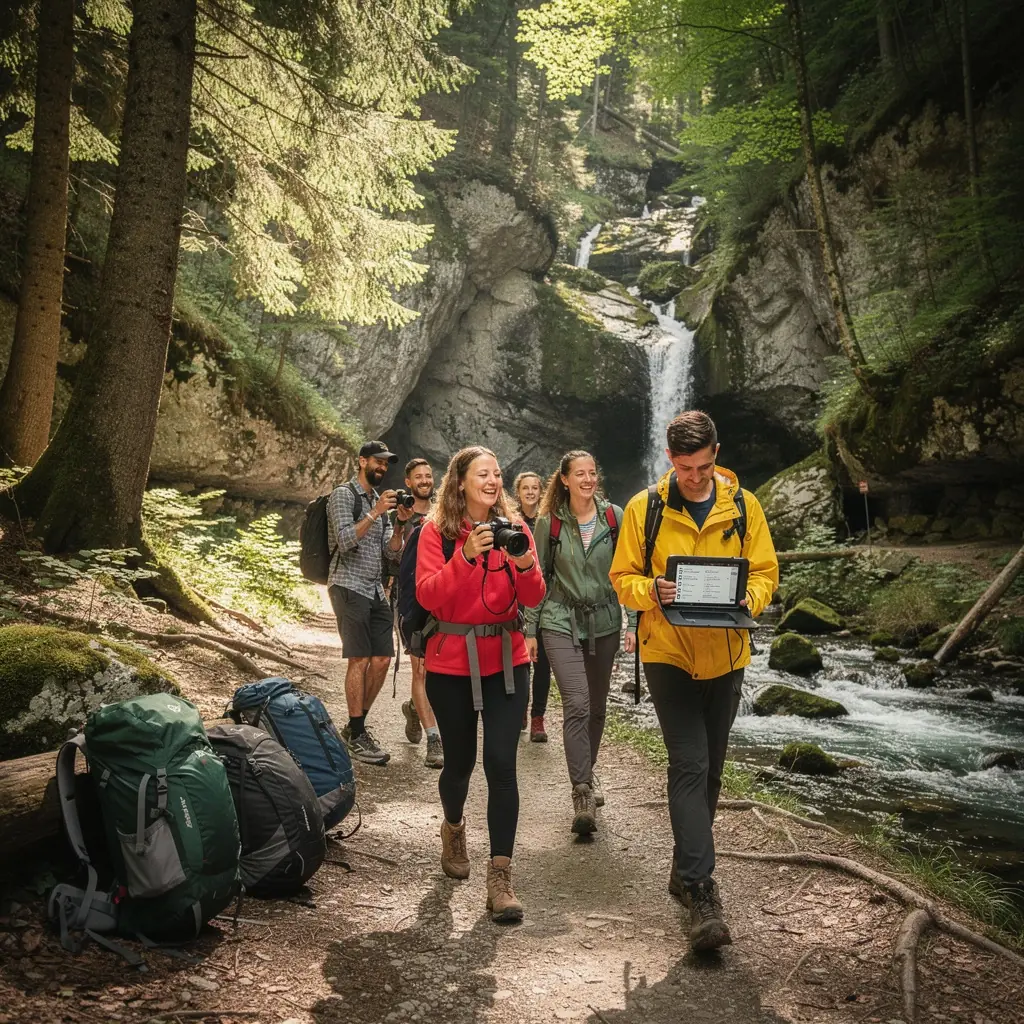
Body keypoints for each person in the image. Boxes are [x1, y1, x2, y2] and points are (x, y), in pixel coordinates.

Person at [609, 411, 778, 952]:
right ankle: (703, 894)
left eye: (704, 466)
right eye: (686, 469)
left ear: (717, 454)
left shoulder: (745, 508)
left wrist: (744, 601)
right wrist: (651, 591)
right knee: (689, 762)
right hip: (669, 652)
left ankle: (684, 870)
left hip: (728, 654)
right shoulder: (645, 508)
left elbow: (764, 574)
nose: (696, 478)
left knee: (711, 773)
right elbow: (623, 579)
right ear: (670, 460)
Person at [415, 446, 545, 923]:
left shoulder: (517, 528)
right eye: (482, 474)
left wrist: (527, 561)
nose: (492, 481)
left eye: (497, 474)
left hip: (507, 662)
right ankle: (453, 827)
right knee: (461, 764)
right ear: (461, 482)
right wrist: (467, 556)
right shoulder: (438, 532)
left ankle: (500, 877)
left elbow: (534, 596)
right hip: (451, 665)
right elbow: (428, 596)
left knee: (501, 765)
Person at [525, 451, 636, 836]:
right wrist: (529, 630)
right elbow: (537, 578)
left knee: (598, 706)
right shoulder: (549, 523)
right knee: (577, 701)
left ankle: (587, 771)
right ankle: (582, 791)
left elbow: (629, 572)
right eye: (580, 474)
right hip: (560, 619)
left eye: (593, 472)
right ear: (566, 480)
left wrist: (633, 622)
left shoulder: (615, 518)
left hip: (605, 621)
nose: (588, 479)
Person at [327, 440, 414, 766]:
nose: (381, 467)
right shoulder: (343, 495)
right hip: (347, 586)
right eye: (376, 462)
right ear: (361, 461)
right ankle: (358, 730)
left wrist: (400, 523)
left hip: (376, 591)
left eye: (385, 463)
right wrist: (375, 513)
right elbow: (345, 540)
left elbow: (391, 554)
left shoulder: (381, 502)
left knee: (381, 660)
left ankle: (355, 728)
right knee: (359, 659)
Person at [394, 457, 444, 770]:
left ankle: (415, 707)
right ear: (408, 482)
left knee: (437, 670)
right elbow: (391, 550)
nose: (424, 480)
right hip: (411, 599)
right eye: (418, 477)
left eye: (428, 476)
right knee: (421, 670)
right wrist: (400, 523)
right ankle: (434, 739)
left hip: (439, 597)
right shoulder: (400, 511)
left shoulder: (443, 512)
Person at [513, 471, 551, 742]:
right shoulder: (511, 522)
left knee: (543, 661)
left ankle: (538, 717)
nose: (530, 492)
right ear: (519, 492)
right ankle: (521, 711)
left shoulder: (548, 521)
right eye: (525, 488)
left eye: (534, 488)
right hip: (517, 598)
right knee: (521, 660)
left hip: (545, 598)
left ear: (541, 491)